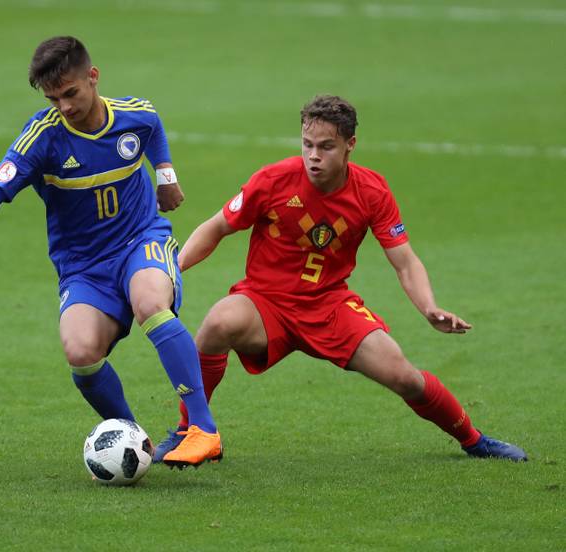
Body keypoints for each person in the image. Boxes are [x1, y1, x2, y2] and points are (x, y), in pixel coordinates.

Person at [154, 95, 527, 463]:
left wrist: (428, 307)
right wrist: (173, 272)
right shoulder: (273, 180)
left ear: (350, 145)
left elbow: (405, 262)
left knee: (405, 377)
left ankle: (474, 440)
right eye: (307, 145)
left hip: (330, 306)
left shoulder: (372, 191)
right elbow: (216, 227)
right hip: (266, 303)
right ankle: (191, 431)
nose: (313, 156)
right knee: (217, 324)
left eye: (326, 147)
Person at [0, 36, 221, 467]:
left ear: (93, 78)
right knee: (79, 351)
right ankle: (137, 441)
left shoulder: (133, 115)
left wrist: (166, 175)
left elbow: (153, 127)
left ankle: (202, 429)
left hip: (140, 241)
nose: (65, 106)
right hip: (84, 268)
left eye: (71, 93)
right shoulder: (42, 138)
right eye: (53, 98)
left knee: (150, 300)